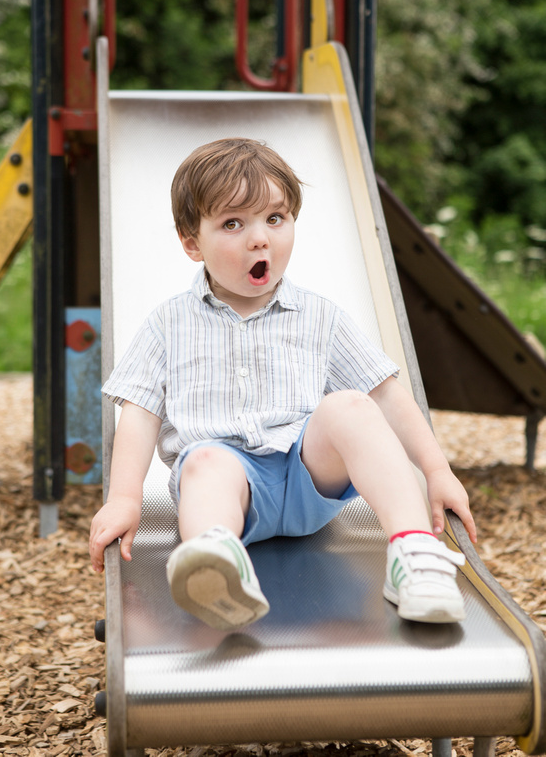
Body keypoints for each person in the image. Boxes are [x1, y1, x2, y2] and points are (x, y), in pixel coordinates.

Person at [89, 138, 477, 630]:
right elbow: (139, 414)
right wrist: (125, 498)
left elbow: (387, 396)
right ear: (192, 242)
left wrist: (436, 470)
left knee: (353, 406)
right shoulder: (168, 323)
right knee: (204, 461)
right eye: (233, 224)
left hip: (307, 476)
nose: (259, 239)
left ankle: (413, 555)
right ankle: (218, 566)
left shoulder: (320, 316)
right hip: (228, 486)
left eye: (275, 219)